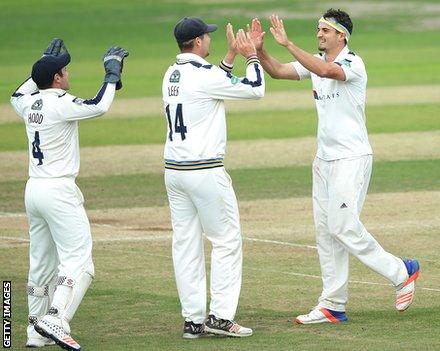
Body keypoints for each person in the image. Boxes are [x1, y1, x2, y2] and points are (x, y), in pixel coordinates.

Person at [249, 9, 420, 324]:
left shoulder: (353, 63)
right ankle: (333, 305)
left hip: (351, 158)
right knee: (326, 233)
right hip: (324, 159)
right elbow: (277, 72)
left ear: (342, 35)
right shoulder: (315, 63)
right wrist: (260, 49)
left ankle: (402, 271)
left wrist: (288, 44)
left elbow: (329, 72)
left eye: (325, 30)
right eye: (318, 29)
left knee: (343, 226)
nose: (319, 34)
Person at [10, 39, 129, 350]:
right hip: (58, 190)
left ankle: (35, 332)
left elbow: (17, 93)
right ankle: (56, 318)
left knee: (41, 264)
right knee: (80, 262)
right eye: (63, 69)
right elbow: (99, 105)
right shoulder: (60, 102)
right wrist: (111, 74)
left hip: (34, 188)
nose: (67, 73)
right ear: (59, 78)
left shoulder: (28, 103)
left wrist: (39, 66)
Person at [162, 17, 264, 338]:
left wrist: (229, 59)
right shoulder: (202, 75)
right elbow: (255, 90)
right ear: (196, 42)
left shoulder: (172, 73)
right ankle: (220, 316)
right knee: (226, 241)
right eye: (207, 36)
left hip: (175, 172)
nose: (210, 39)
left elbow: (211, 84)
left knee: (186, 245)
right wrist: (251, 56)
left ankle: (193, 320)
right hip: (204, 171)